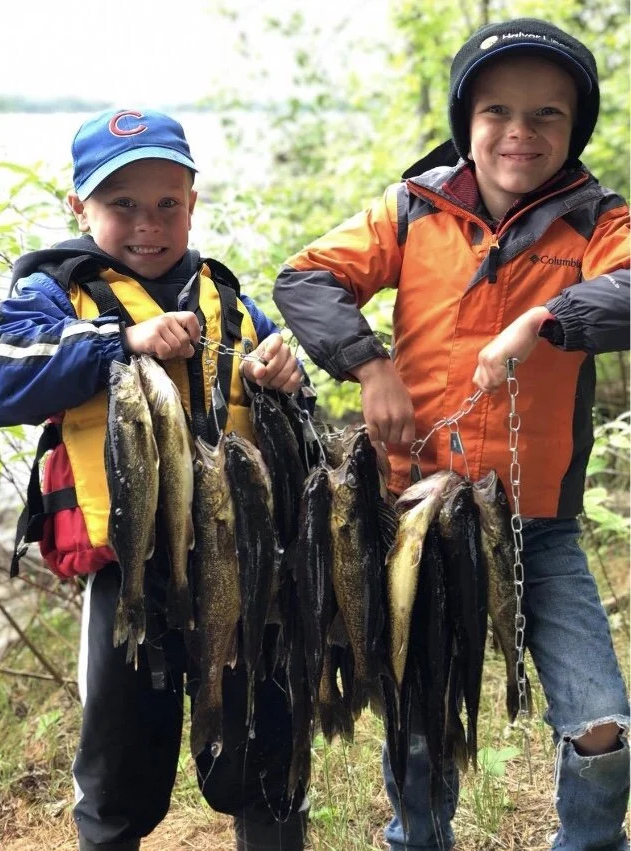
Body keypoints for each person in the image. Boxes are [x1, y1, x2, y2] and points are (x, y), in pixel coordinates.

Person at [274, 18, 630, 851]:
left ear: (574, 126)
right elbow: (306, 278)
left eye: (548, 114)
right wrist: (369, 366)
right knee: (422, 719)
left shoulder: (599, 220)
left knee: (603, 724)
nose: (520, 132)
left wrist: (545, 318)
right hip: (416, 519)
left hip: (536, 528)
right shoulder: (412, 208)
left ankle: (590, 842)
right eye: (497, 110)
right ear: (465, 121)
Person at [0, 109, 309, 851]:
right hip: (130, 569)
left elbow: (288, 411)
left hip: (241, 563)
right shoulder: (54, 291)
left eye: (168, 202)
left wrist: (282, 377)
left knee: (265, 749)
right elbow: (2, 378)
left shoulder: (226, 299)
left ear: (194, 201)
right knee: (119, 767)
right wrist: (120, 340)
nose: (148, 223)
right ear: (80, 208)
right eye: (121, 204)